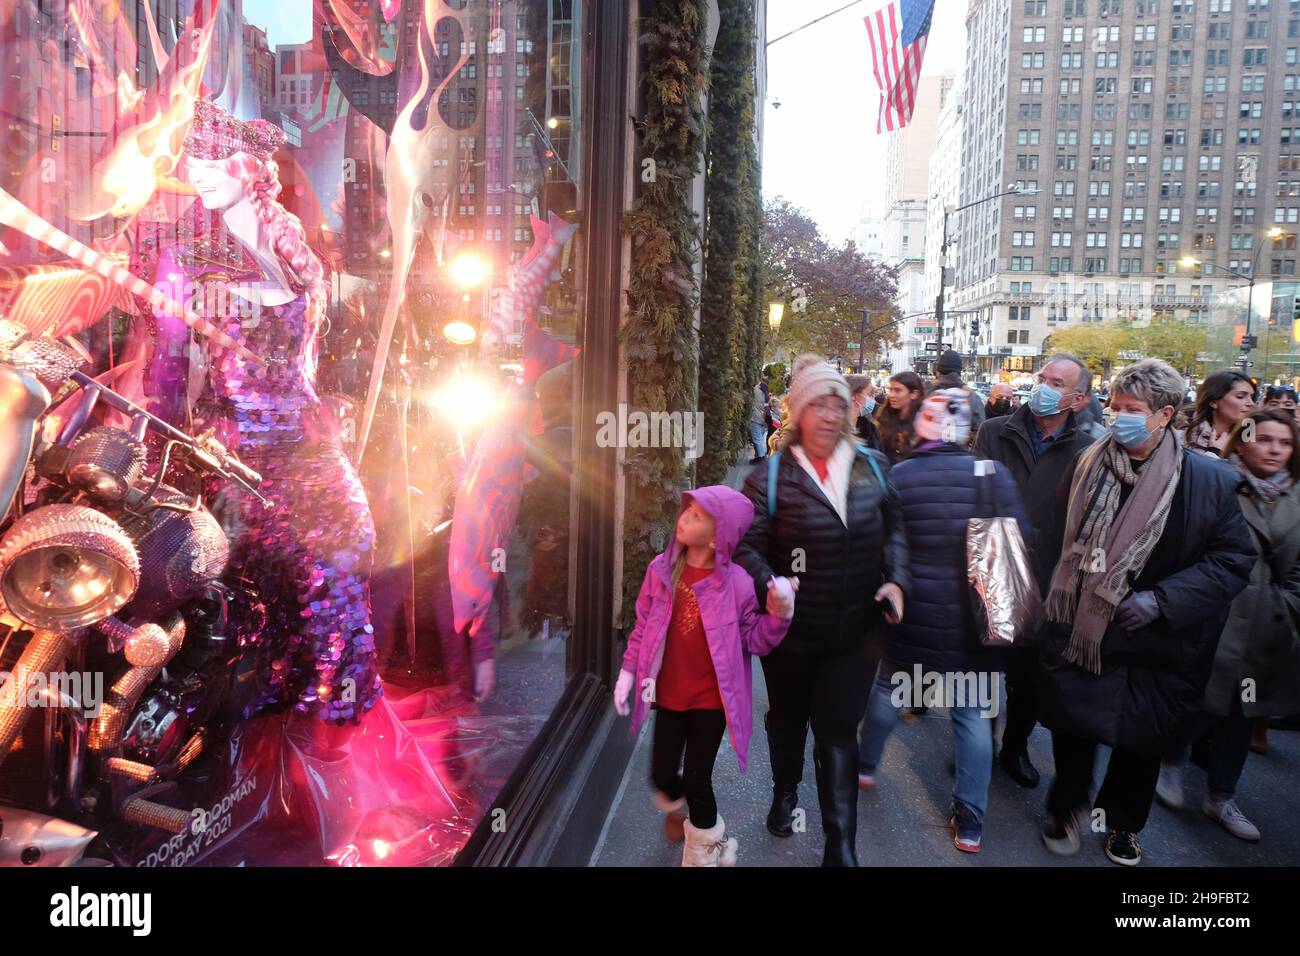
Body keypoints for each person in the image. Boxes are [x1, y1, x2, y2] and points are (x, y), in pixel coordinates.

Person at [1037, 359, 1255, 866]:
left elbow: (1232, 560)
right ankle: (1067, 808)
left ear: (1162, 415)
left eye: (1131, 410)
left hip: (1158, 639)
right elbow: (1053, 538)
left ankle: (1123, 825)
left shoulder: (1207, 479)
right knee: (1074, 728)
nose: (1117, 418)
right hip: (1081, 628)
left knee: (1140, 741)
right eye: (1114, 407)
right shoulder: (1088, 462)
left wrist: (1162, 601)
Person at [734, 354, 910, 867]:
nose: (830, 416)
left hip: (855, 633)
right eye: (818, 405)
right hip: (790, 633)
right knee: (788, 720)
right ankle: (785, 791)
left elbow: (896, 530)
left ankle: (841, 847)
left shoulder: (873, 466)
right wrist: (770, 582)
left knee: (837, 732)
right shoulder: (769, 476)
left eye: (838, 404)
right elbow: (744, 545)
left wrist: (897, 580)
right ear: (796, 412)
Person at [857, 389, 1030, 853]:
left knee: (890, 689)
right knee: (971, 714)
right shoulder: (994, 475)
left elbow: (882, 542)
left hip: (913, 610)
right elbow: (1019, 540)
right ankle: (970, 820)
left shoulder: (903, 475)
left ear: (923, 426)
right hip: (977, 616)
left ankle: (865, 765)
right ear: (970, 428)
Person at [614, 486, 794, 866]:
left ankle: (704, 853)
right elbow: (644, 626)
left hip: (711, 701)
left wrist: (778, 616)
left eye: (696, 516)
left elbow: (755, 639)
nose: (683, 519)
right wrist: (628, 672)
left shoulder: (739, 584)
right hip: (669, 695)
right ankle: (684, 812)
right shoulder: (661, 571)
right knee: (661, 776)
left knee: (698, 780)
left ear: (717, 537)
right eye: (686, 511)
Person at [1155, 409, 1300, 842]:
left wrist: (1289, 604)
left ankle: (1221, 795)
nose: (1275, 449)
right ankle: (1169, 757)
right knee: (1201, 701)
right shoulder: (1217, 483)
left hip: (1264, 629)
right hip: (1213, 620)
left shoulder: (1295, 498)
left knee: (1242, 709)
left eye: (1285, 442)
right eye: (1265, 439)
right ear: (1242, 441)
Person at [972, 353, 1102, 789]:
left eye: (1056, 382)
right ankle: (977, 741)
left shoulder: (1087, 448)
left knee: (1027, 676)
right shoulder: (995, 430)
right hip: (992, 567)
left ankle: (1015, 746)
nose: (1043, 386)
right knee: (984, 666)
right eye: (1042, 377)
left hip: (1049, 577)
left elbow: (1085, 518)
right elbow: (979, 495)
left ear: (1078, 398)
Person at [1182, 370, 1257, 457]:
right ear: (1214, 401)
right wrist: (1214, 453)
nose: (1250, 403)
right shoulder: (1184, 439)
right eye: (1240, 396)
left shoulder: (1251, 436)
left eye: (1251, 397)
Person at [931, 349, 986, 437]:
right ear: (959, 372)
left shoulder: (928, 391)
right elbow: (980, 431)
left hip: (928, 448)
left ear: (938, 372)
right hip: (960, 448)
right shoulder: (972, 396)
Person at [877, 370, 924, 464]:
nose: (891, 395)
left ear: (914, 394)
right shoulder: (884, 419)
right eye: (890, 390)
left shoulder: (923, 424)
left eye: (898, 390)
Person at [845, 373, 882, 451]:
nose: (872, 400)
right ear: (854, 396)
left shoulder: (871, 430)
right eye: (869, 394)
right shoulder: (835, 428)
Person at [750, 378, 770, 463]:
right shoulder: (765, 394)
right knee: (760, 438)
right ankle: (760, 455)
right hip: (763, 418)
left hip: (756, 418)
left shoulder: (756, 391)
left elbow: (752, 390)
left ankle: (761, 458)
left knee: (757, 439)